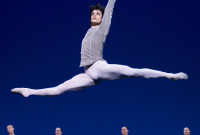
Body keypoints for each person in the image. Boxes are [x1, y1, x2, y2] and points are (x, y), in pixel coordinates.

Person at [11, 0, 188, 97]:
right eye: (93, 13)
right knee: (59, 89)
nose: (95, 14)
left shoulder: (103, 29)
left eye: (98, 14)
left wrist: (110, 4)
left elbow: (110, 8)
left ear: (102, 18)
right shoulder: (88, 32)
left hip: (99, 67)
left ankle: (170, 76)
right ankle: (29, 91)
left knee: (134, 71)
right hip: (87, 74)